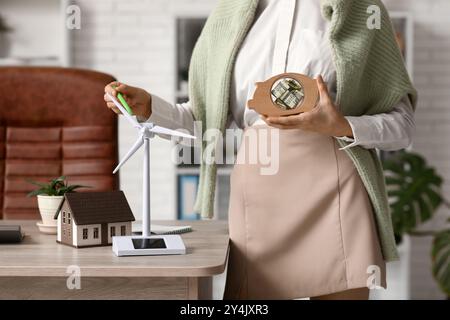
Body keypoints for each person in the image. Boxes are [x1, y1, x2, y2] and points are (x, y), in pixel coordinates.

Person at [105, 0, 417, 300]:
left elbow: (402, 126)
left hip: (337, 190)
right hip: (259, 199)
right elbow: (203, 123)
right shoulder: (227, 17)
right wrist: (149, 107)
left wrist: (341, 125)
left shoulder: (361, 9)